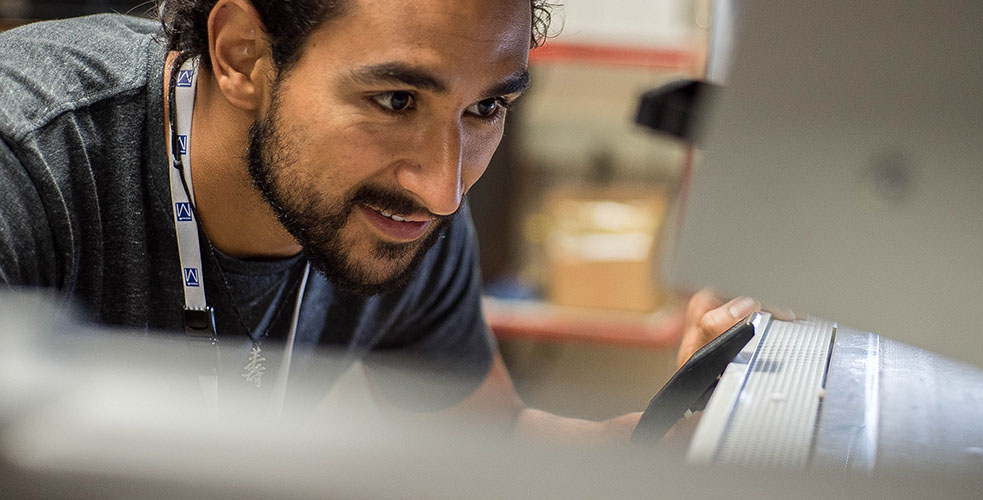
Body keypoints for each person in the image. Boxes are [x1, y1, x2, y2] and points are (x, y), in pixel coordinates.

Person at [0, 0, 768, 439]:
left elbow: (483, 445)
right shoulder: (30, 164)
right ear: (241, 56)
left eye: (486, 108)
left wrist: (653, 437)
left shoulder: (402, 215)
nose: (443, 188)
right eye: (395, 100)